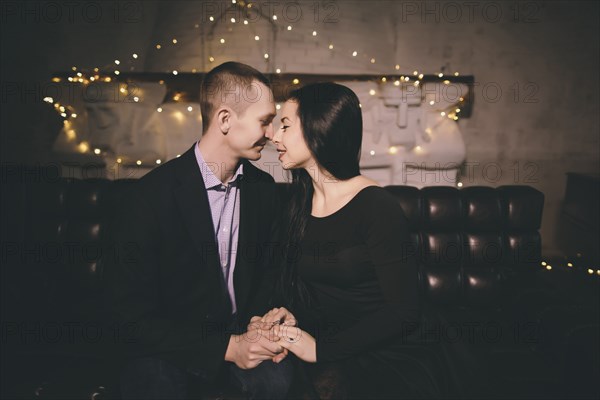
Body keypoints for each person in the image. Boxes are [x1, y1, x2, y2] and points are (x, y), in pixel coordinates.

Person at [103, 62, 294, 399]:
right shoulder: (149, 196)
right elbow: (128, 315)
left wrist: (260, 320)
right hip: (167, 344)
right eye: (264, 121)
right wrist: (225, 348)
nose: (271, 134)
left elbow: (269, 273)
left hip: (238, 333)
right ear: (224, 119)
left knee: (276, 382)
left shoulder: (263, 189)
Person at [258, 82, 443, 399]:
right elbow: (322, 288)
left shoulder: (377, 207)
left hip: (386, 353)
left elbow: (404, 312)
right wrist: (291, 312)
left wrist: (320, 349)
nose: (274, 136)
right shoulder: (298, 202)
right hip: (329, 341)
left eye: (285, 125)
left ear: (319, 128)